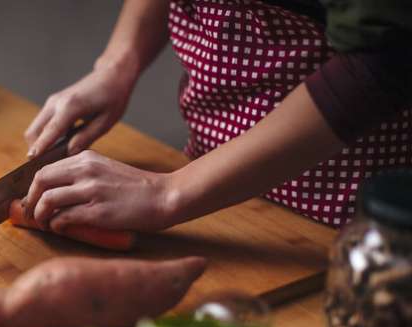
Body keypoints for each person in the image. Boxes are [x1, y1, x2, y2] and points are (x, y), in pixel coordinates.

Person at [21, 0, 411, 234]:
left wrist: (167, 194)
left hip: (340, 214)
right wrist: (118, 63)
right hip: (205, 194)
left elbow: (383, 58)